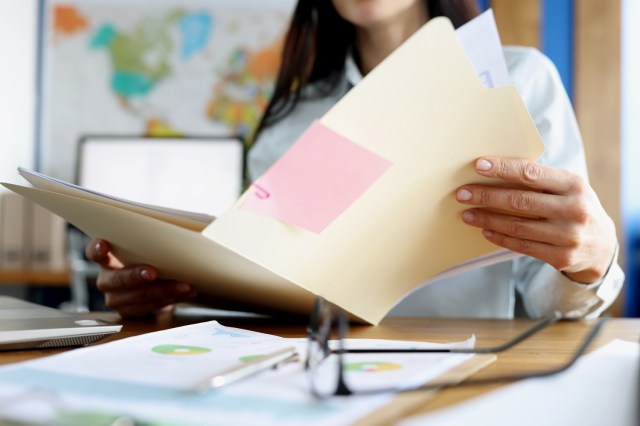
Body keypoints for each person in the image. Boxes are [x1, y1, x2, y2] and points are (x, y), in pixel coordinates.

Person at [86, 0, 624, 319]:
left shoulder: (519, 80)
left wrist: (589, 263)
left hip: (473, 381)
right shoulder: (288, 124)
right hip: (318, 382)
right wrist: (168, 297)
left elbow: (550, 301)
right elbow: (264, 291)